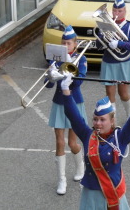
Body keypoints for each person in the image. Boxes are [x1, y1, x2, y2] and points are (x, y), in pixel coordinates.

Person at [61, 74, 130, 210]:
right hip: (91, 194)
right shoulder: (87, 135)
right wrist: (65, 90)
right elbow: (74, 116)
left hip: (113, 192)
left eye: (102, 120)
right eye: (95, 119)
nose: (98, 123)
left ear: (112, 121)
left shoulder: (121, 137)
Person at [46, 25, 87, 195]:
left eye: (68, 43)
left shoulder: (80, 59)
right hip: (58, 102)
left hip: (74, 102)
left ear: (75, 45)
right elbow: (48, 85)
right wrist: (51, 73)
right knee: (59, 142)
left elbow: (79, 82)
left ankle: (81, 167)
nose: (66, 45)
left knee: (72, 143)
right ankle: (61, 179)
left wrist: (70, 75)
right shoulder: (56, 59)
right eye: (63, 43)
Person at [97, 0, 130, 117]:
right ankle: (112, 120)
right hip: (109, 61)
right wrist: (102, 37)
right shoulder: (106, 25)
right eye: (114, 10)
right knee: (110, 92)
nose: (116, 13)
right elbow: (98, 45)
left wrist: (118, 43)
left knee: (123, 93)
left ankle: (129, 113)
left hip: (123, 61)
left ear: (124, 11)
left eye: (119, 11)